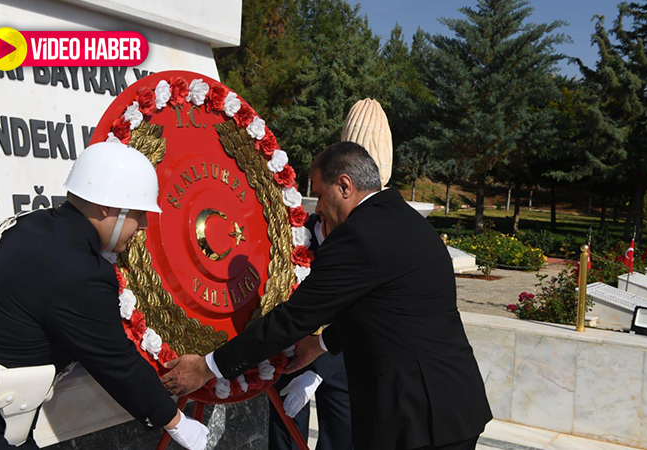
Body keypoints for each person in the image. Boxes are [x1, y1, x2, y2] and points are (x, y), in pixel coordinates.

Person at [162, 141, 493, 450]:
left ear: (345, 186)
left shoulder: (359, 236)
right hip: (451, 404)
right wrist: (319, 345)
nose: (317, 209)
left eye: (320, 195)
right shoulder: (404, 219)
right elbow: (383, 313)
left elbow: (292, 318)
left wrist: (208, 367)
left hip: (414, 418)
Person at [0, 142, 208, 450]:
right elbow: (116, 363)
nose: (142, 225)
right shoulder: (81, 271)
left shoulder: (32, 223)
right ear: (108, 207)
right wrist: (177, 423)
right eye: (138, 213)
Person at [269, 214, 352, 450]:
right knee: (287, 434)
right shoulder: (293, 234)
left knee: (342, 435)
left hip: (342, 353)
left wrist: (317, 372)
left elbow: (360, 315)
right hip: (292, 352)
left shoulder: (362, 239)